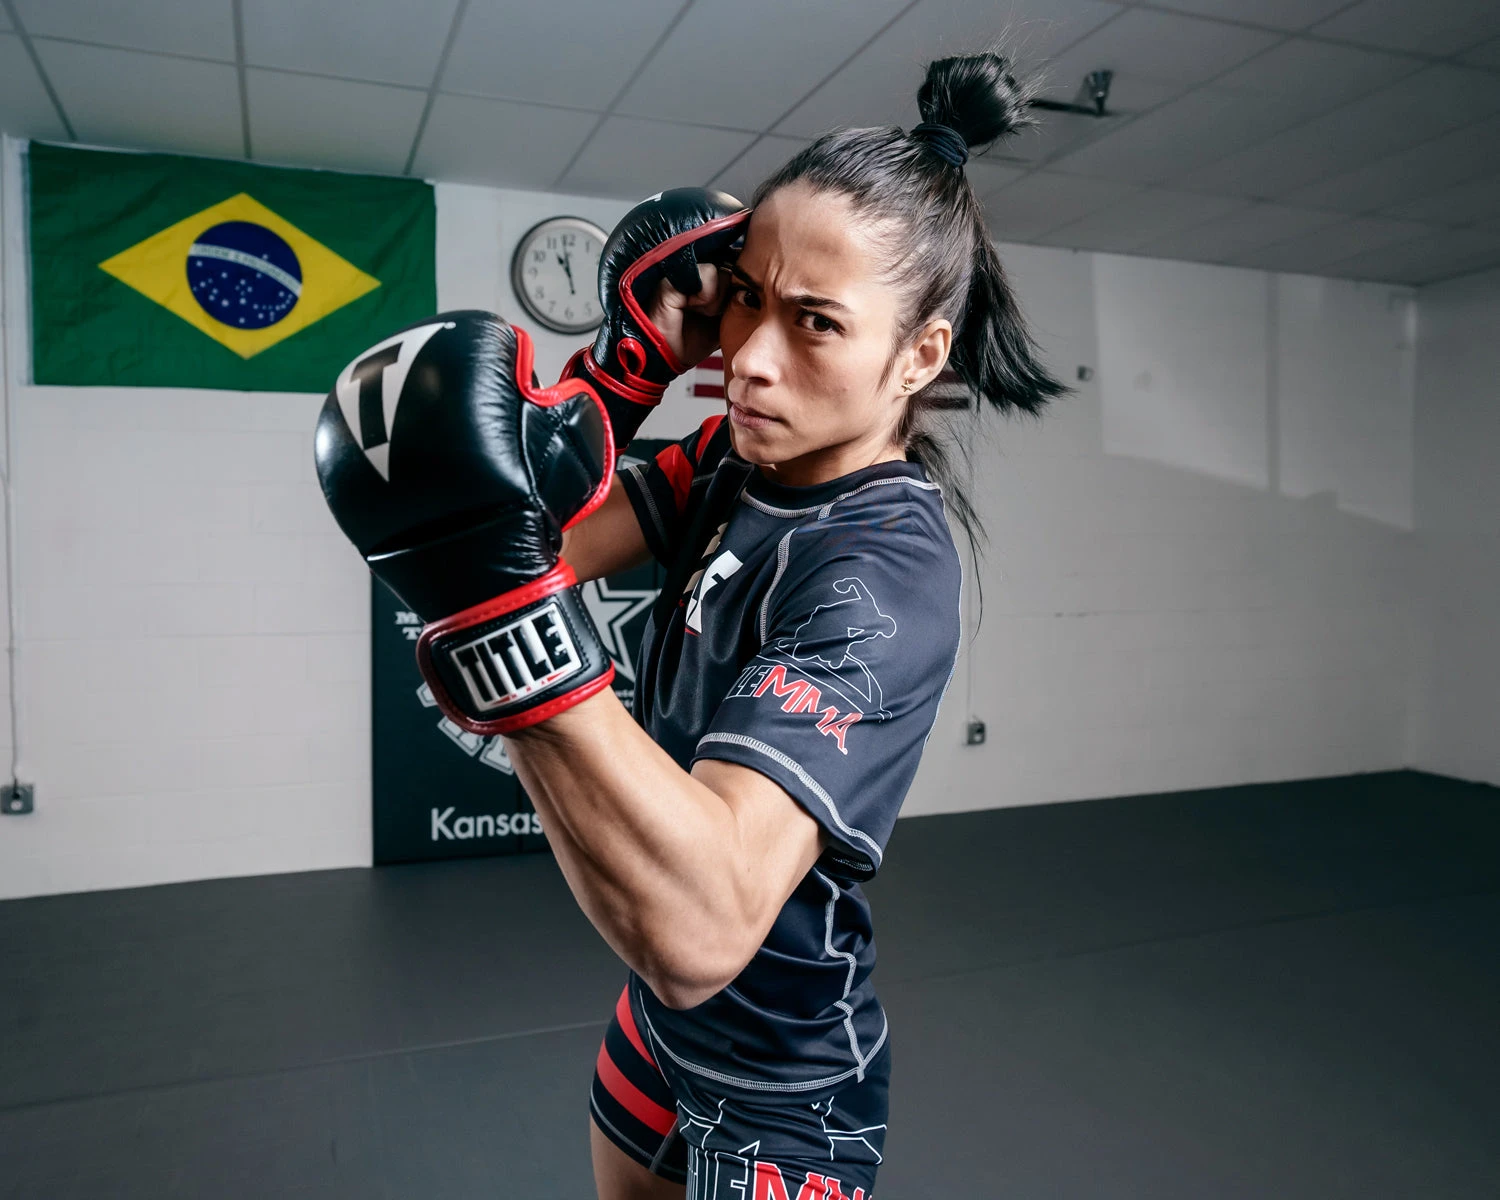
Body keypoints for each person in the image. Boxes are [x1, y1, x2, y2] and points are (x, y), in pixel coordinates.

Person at [316, 51, 1064, 1200]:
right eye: (747, 297)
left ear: (920, 355)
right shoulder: (732, 457)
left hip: (784, 1083)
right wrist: (620, 380)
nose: (749, 360)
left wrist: (513, 631)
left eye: (815, 323)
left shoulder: (882, 568)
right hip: (659, 1029)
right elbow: (538, 549)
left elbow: (705, 927)